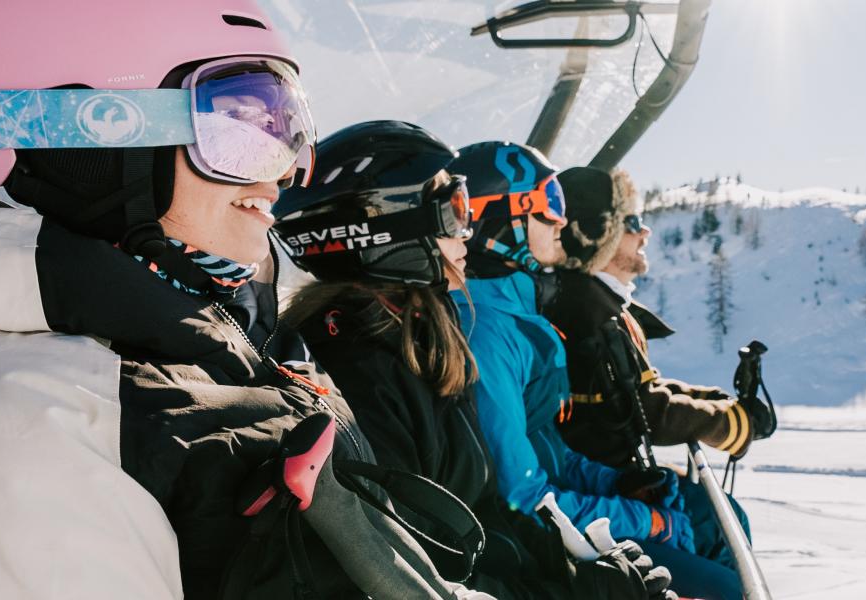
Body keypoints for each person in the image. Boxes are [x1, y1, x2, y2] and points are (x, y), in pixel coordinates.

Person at [0, 2, 487, 598]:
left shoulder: (225, 343)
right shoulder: (8, 450)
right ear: (92, 138)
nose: (288, 167)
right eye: (240, 120)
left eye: (288, 123)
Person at [273, 120, 673, 599]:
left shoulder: (425, 341)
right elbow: (407, 573)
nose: (467, 233)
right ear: (387, 225)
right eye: (454, 211)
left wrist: (566, 565)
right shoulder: (354, 372)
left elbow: (482, 510)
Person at [447, 143, 740, 600]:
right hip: (533, 542)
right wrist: (648, 522)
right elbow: (523, 497)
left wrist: (616, 483)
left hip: (560, 520)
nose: (562, 222)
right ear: (504, 222)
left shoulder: (521, 316)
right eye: (549, 207)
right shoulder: (488, 333)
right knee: (724, 588)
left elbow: (550, 451)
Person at [540, 166, 773, 575]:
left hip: (621, 482)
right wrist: (731, 423)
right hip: (605, 493)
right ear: (598, 234)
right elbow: (647, 409)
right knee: (727, 565)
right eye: (630, 222)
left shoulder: (603, 306)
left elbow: (642, 386)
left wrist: (715, 400)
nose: (644, 232)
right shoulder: (584, 317)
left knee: (725, 517)